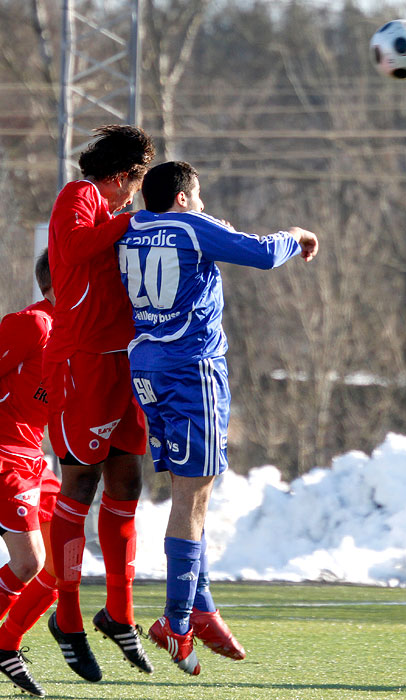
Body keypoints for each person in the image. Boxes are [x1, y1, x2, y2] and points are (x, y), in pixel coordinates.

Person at [117, 160, 319, 675]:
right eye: (199, 195)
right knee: (193, 494)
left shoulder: (132, 227)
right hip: (192, 371)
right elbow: (262, 253)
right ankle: (177, 621)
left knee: (190, 492)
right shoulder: (191, 226)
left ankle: (200, 608)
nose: (204, 204)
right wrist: (296, 235)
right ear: (183, 198)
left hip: (146, 366)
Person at [44, 125, 155, 682]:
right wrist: (133, 219)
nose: (135, 197)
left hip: (121, 363)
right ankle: (67, 618)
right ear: (120, 177)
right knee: (80, 484)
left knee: (127, 482)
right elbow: (81, 245)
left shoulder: (122, 220)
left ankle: (119, 613)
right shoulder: (79, 196)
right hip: (79, 361)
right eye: (133, 186)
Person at [0, 251, 59, 697]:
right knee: (29, 562)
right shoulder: (32, 324)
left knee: (60, 565)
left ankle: (6, 643)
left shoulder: (77, 336)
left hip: (36, 460)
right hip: (7, 456)